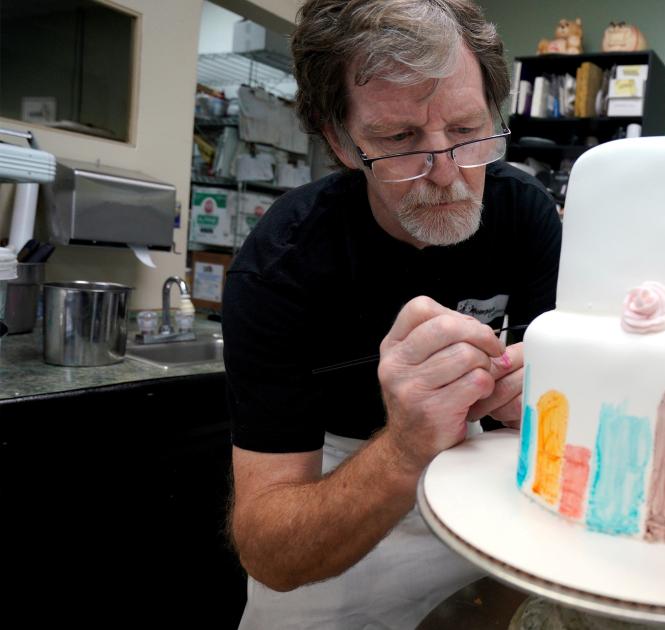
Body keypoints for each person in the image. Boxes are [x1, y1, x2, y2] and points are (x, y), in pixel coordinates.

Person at [222, 1, 561, 627]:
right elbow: (272, 554)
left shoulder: (523, 214)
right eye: (400, 140)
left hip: (473, 507)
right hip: (332, 510)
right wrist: (405, 448)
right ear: (341, 142)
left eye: (467, 130)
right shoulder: (282, 266)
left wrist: (537, 406)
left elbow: (553, 427)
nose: (447, 175)